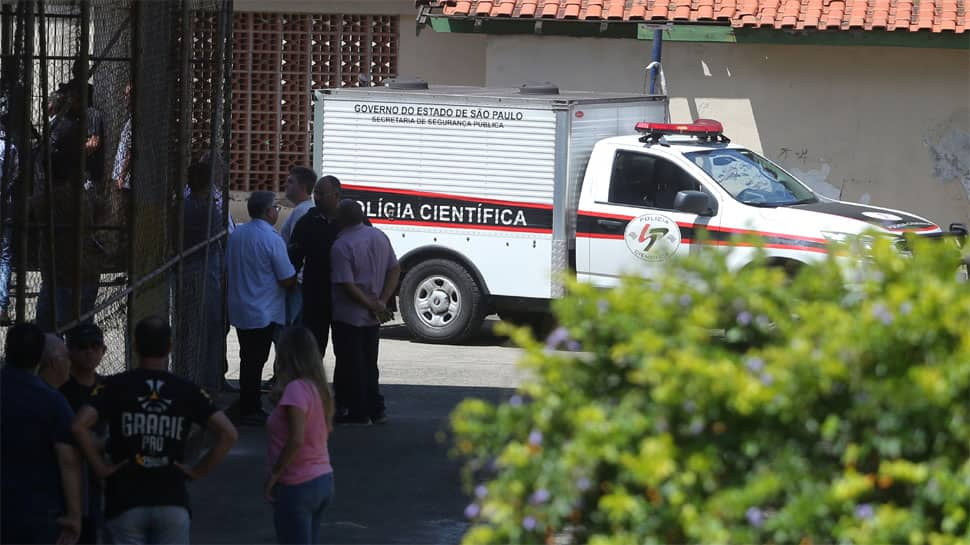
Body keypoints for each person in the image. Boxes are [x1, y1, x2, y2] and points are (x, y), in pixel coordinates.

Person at [71, 316, 238, 545]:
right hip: (171, 499)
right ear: (170, 347)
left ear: (136, 346)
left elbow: (79, 425)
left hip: (125, 500)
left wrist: (100, 468)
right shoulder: (186, 390)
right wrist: (198, 470)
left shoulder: (115, 385)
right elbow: (228, 433)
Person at [1, 322, 82, 544]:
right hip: (38, 512)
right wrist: (75, 515)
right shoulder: (52, 401)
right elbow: (67, 459)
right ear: (40, 358)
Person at [227, 191, 296, 424]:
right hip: (263, 311)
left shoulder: (237, 234)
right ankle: (250, 407)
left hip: (240, 306)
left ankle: (248, 403)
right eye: (276, 207)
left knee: (248, 357)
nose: (277, 211)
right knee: (256, 360)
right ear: (268, 211)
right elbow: (286, 277)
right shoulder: (272, 239)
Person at [330, 199, 400, 426]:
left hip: (349, 315)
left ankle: (357, 412)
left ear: (340, 219)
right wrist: (382, 300)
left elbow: (347, 284)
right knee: (370, 363)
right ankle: (376, 408)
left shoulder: (341, 246)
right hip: (372, 317)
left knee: (350, 364)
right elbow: (394, 268)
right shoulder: (379, 236)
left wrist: (371, 304)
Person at [264, 326, 335, 544]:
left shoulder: (296, 389)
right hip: (322, 478)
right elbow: (324, 431)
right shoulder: (318, 389)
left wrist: (274, 475)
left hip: (297, 483)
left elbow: (296, 439)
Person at [288, 176, 349, 357]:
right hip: (315, 295)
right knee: (312, 350)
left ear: (337, 195)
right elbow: (294, 257)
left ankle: (344, 386)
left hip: (345, 295)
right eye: (315, 193)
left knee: (346, 351)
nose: (317, 197)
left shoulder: (351, 220)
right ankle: (311, 384)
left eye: (321, 193)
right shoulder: (308, 221)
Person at [178, 162, 225, 392]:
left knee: (189, 328)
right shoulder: (207, 209)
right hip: (204, 270)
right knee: (208, 327)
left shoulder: (183, 206)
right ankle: (206, 379)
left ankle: (193, 375)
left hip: (187, 268)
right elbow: (218, 237)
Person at [61, 323, 108, 545]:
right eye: (82, 346)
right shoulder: (60, 391)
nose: (89, 351)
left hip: (99, 482)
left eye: (95, 346)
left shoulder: (109, 388)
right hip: (67, 483)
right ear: (70, 351)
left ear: (103, 350)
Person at [279, 166, 317, 326]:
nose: (285, 185)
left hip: (298, 283)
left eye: (290, 182)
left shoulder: (302, 212)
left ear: (302, 187)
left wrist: (293, 278)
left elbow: (296, 249)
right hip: (298, 281)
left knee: (293, 328)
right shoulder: (303, 210)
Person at [0, 113, 19, 324]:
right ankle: (2, 308)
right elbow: (15, 174)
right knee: (4, 257)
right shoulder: (11, 147)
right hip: (5, 203)